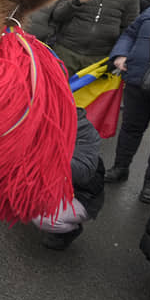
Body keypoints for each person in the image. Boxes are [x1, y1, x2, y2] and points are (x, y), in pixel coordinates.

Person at [106, 0, 150, 203]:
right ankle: (120, 167)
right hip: (137, 78)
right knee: (130, 127)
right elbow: (130, 33)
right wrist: (120, 54)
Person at [33, 107, 105, 249]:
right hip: (53, 186)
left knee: (42, 218)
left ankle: (70, 230)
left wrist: (49, 154)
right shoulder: (38, 120)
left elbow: (83, 172)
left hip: (82, 195)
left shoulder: (85, 131)